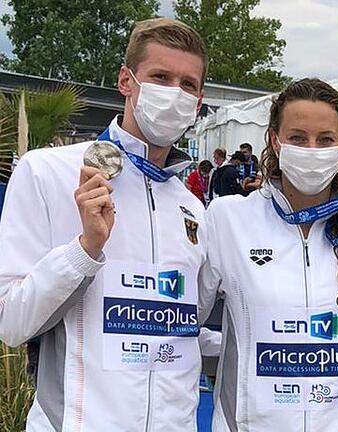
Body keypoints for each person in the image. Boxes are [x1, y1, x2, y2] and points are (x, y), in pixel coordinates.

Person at [0, 18, 209, 431]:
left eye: (187, 84)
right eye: (161, 77)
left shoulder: (191, 207)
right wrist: (85, 249)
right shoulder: (47, 172)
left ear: (199, 101)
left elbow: (185, 329)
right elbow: (11, 323)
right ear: (126, 82)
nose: (174, 94)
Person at [198, 78, 338, 431]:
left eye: (325, 140)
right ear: (275, 140)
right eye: (298, 138)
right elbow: (179, 323)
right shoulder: (228, 219)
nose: (312, 149)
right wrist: (228, 352)